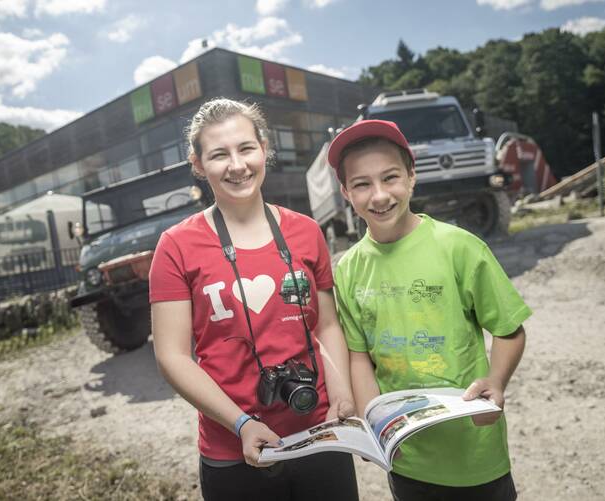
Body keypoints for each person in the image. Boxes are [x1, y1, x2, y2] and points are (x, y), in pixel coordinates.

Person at [149, 98, 358, 501]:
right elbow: (171, 356)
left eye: (246, 148)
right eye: (218, 155)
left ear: (264, 148)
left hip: (319, 433)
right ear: (197, 163)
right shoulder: (175, 246)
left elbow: (326, 325)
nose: (237, 165)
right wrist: (241, 424)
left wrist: (343, 396)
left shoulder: (306, 231)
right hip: (233, 449)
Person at [328, 119, 531, 501]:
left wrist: (497, 381)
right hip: (407, 457)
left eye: (390, 178)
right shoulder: (349, 268)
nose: (379, 195)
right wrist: (377, 424)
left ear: (412, 176)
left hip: (474, 451)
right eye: (362, 184)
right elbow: (359, 356)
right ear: (345, 193)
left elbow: (509, 329)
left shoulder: (458, 246)